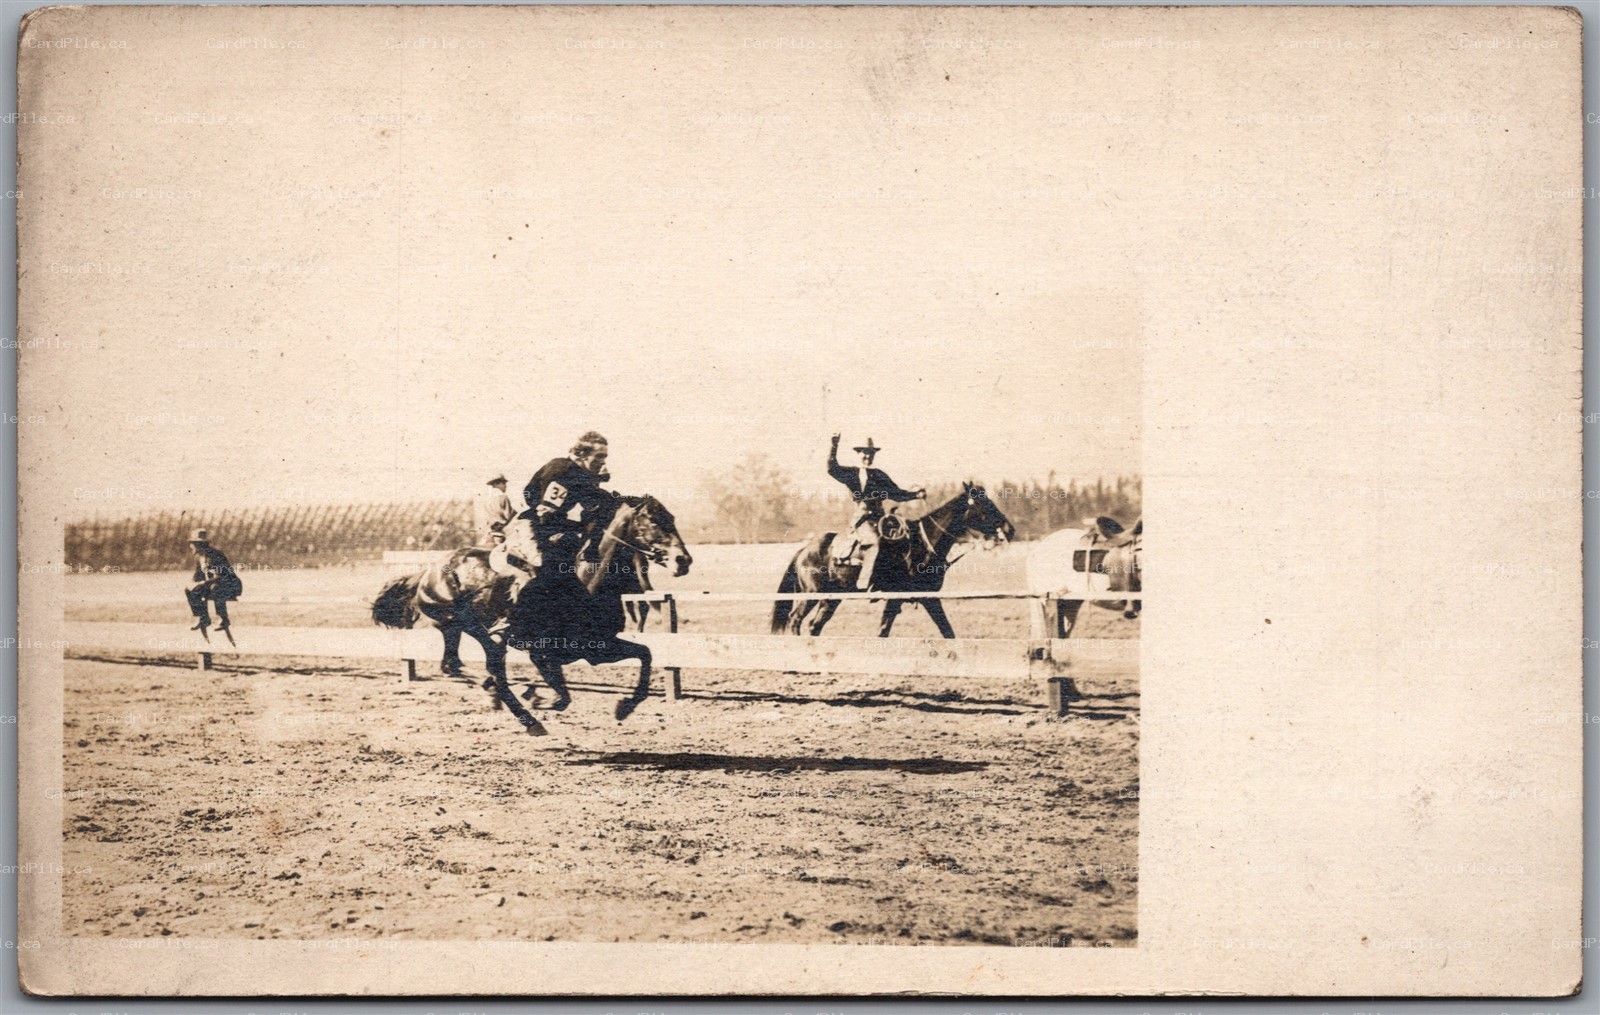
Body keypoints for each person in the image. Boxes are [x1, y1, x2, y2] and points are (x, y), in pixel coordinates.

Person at [510, 431, 619, 647]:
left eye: (604, 457)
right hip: (532, 524)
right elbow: (545, 514)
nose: (602, 462)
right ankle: (511, 623)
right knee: (544, 564)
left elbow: (603, 503)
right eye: (598, 457)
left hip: (551, 522)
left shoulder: (582, 475)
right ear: (580, 454)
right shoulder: (562, 470)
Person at [828, 433, 924, 589]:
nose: (868, 456)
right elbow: (832, 468)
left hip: (880, 520)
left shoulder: (879, 474)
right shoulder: (850, 473)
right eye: (865, 452)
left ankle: (898, 582)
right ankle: (864, 582)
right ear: (858, 454)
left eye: (871, 453)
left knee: (903, 539)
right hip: (862, 520)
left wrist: (916, 495)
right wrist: (834, 445)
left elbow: (896, 494)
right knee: (875, 541)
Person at [185, 528, 243, 632]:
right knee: (190, 589)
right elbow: (197, 575)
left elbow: (220, 576)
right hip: (214, 584)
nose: (191, 546)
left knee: (215, 588)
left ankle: (223, 619)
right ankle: (203, 617)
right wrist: (192, 584)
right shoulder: (199, 557)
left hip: (230, 584)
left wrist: (202, 583)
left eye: (194, 543)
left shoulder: (215, 555)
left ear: (201, 545)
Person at [474, 473, 518, 546]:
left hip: (489, 532)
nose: (505, 486)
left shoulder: (488, 499)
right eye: (504, 483)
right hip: (502, 532)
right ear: (497, 484)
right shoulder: (503, 497)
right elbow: (508, 516)